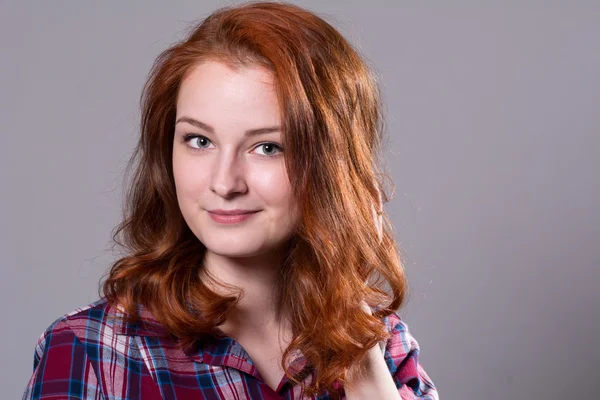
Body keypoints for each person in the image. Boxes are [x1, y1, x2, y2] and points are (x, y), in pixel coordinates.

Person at [22, 2, 438, 399]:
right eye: (199, 141)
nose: (224, 183)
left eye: (268, 147)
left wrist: (358, 352)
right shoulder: (92, 352)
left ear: (334, 169)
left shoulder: (384, 346)